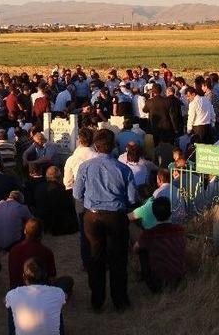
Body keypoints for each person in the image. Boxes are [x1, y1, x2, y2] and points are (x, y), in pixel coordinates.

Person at [73, 128, 136, 312]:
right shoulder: (124, 169)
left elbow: (77, 193)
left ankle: (97, 301)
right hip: (116, 217)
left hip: (92, 216)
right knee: (118, 260)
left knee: (95, 258)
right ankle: (120, 301)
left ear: (96, 145)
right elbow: (132, 198)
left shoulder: (85, 167)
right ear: (113, 146)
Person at [7, 218, 74, 294]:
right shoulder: (46, 252)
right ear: (41, 234)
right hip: (39, 292)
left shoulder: (13, 250)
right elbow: (52, 277)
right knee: (68, 281)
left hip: (16, 291)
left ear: (25, 231)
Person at [134, 197, 186, 292]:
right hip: (178, 280)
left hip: (157, 284)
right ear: (170, 213)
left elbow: (135, 248)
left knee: (142, 249)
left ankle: (146, 275)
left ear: (154, 214)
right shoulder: (180, 230)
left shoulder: (149, 234)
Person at [5, 258, 67, 335]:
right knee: (56, 305)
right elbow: (64, 298)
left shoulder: (12, 294)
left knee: (11, 306)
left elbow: (6, 301)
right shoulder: (57, 292)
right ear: (45, 275)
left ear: (24, 277)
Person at [34, 166, 79, 236]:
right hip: (59, 225)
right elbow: (69, 207)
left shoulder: (39, 188)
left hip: (43, 222)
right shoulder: (62, 190)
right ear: (59, 177)